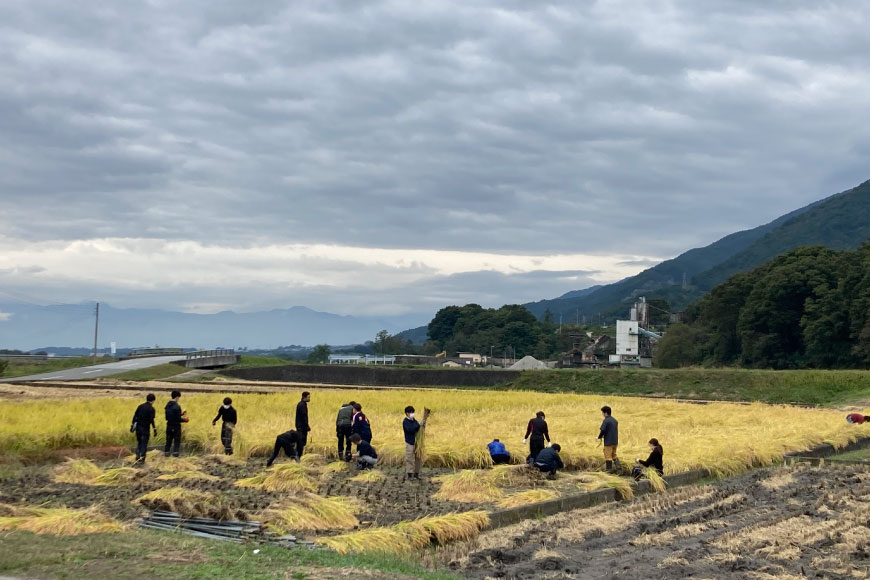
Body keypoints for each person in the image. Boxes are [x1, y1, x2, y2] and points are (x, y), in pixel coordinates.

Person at [131, 393, 157, 463]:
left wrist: (132, 425)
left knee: (139, 442)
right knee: (144, 443)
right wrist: (154, 429)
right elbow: (152, 420)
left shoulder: (140, 406)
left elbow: (135, 416)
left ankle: (137, 455)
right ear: (153, 400)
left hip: (138, 427)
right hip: (145, 428)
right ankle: (142, 457)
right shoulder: (152, 409)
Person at [402, 405, 427, 479]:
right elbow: (411, 429)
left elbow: (418, 428)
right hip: (409, 442)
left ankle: (416, 473)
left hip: (417, 442)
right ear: (407, 413)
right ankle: (410, 474)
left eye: (413, 412)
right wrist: (419, 425)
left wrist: (422, 425)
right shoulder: (405, 422)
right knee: (409, 458)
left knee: (418, 457)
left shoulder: (414, 420)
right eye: (411, 412)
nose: (412, 414)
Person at [598, 405, 620, 473]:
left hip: (608, 442)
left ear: (606, 413)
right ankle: (619, 470)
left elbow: (603, 430)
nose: (602, 414)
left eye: (602, 413)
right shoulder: (615, 420)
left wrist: (599, 437)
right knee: (614, 455)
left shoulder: (606, 421)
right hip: (615, 441)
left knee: (608, 456)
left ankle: (609, 471)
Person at [164, 390, 186, 457]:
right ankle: (175, 454)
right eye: (178, 397)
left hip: (169, 425)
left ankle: (166, 453)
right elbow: (178, 419)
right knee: (176, 440)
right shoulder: (177, 406)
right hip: (176, 427)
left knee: (168, 440)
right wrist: (185, 419)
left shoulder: (167, 405)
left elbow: (169, 416)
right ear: (177, 397)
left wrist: (181, 414)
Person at [295, 392, 311, 456]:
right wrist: (306, 426)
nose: (309, 398)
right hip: (301, 427)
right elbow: (304, 417)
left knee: (300, 441)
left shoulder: (301, 404)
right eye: (308, 397)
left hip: (300, 426)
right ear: (304, 397)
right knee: (301, 442)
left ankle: (297, 455)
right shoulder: (302, 405)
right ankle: (298, 456)